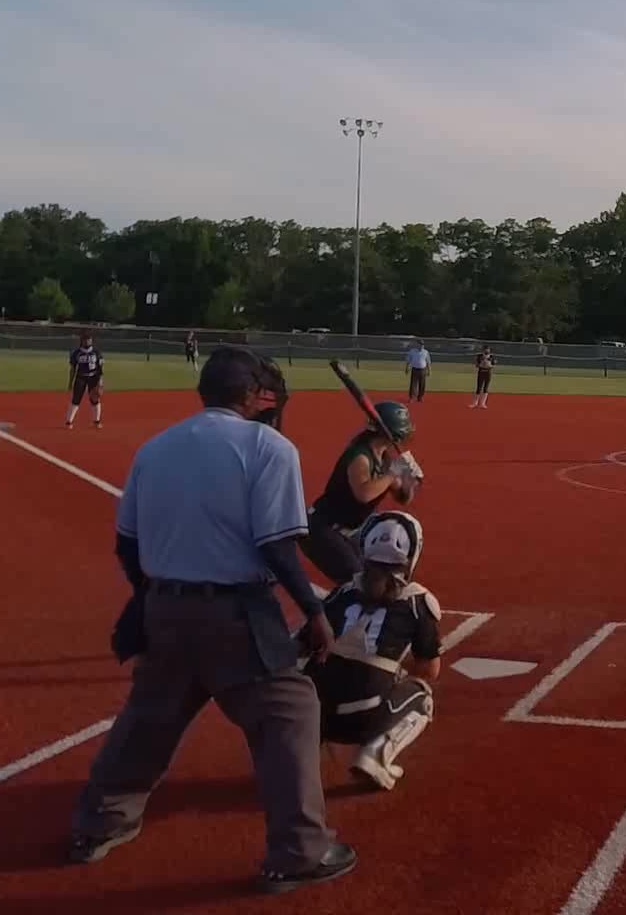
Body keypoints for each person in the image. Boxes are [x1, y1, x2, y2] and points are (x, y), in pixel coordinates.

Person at [69, 346, 358, 894]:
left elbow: (127, 544)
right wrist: (314, 609)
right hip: (235, 611)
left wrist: (152, 596)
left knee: (150, 715)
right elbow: (277, 545)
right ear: (251, 395)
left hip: (164, 606)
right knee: (289, 711)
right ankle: (299, 850)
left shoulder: (157, 447)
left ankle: (98, 824)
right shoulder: (269, 447)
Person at [304, 511, 442, 791]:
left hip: (316, 715)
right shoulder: (418, 602)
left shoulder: (342, 593)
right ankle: (374, 755)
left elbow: (304, 643)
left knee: (308, 676)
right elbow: (429, 669)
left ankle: (298, 755)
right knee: (422, 695)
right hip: (365, 717)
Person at [300, 401, 423, 586]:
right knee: (358, 582)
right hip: (322, 529)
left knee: (371, 577)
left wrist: (410, 481)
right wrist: (392, 474)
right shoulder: (360, 456)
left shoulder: (384, 458)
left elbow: (402, 498)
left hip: (347, 532)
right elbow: (363, 493)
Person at [66, 331, 106, 429]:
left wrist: (100, 380)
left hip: (93, 377)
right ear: (82, 341)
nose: (88, 341)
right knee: (76, 399)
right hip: (81, 377)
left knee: (95, 398)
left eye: (89, 340)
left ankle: (96, 421)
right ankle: (69, 421)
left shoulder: (96, 352)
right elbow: (73, 369)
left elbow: (100, 368)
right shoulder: (77, 353)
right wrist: (70, 382)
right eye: (86, 340)